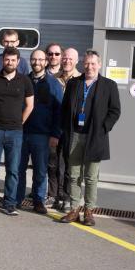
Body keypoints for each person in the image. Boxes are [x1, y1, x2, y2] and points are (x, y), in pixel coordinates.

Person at [60, 50, 121, 226]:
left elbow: (115, 111)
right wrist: (65, 129)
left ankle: (88, 211)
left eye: (93, 63)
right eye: (87, 63)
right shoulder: (73, 84)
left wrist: (103, 128)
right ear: (82, 64)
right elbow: (64, 109)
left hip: (95, 136)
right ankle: (73, 209)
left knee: (91, 177)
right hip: (74, 136)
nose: (89, 67)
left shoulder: (109, 85)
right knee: (73, 175)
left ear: (99, 65)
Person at [0, 47, 34, 215]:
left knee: (13, 170)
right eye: (6, 60)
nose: (9, 63)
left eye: (13, 60)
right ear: (2, 60)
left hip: (15, 132)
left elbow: (30, 105)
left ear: (18, 62)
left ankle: (9, 204)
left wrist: (19, 122)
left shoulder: (25, 81)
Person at [15, 49, 63, 214]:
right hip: (21, 133)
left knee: (40, 170)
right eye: (34, 59)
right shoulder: (22, 80)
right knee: (18, 168)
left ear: (46, 62)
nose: (37, 62)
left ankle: (38, 201)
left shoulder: (53, 84)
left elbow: (59, 111)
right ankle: (16, 198)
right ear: (30, 61)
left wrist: (55, 134)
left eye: (40, 59)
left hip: (42, 135)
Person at [49, 47, 81, 210]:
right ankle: (55, 195)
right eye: (65, 58)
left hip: (72, 129)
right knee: (54, 164)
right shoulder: (54, 79)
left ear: (76, 61)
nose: (67, 61)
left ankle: (68, 197)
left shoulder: (81, 80)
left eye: (70, 59)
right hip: (56, 127)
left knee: (69, 166)